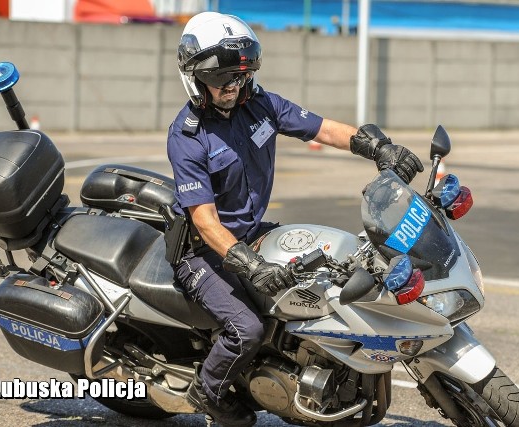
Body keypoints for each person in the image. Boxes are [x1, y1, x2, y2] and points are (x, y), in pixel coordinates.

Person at [167, 11, 423, 427]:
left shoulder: (261, 105)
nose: (232, 87)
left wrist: (378, 148)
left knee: (331, 270)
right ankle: (208, 392)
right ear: (194, 77)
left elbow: (322, 129)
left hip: (251, 233)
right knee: (246, 329)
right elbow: (205, 221)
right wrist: (250, 265)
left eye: (240, 76)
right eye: (221, 79)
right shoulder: (187, 136)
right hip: (203, 253)